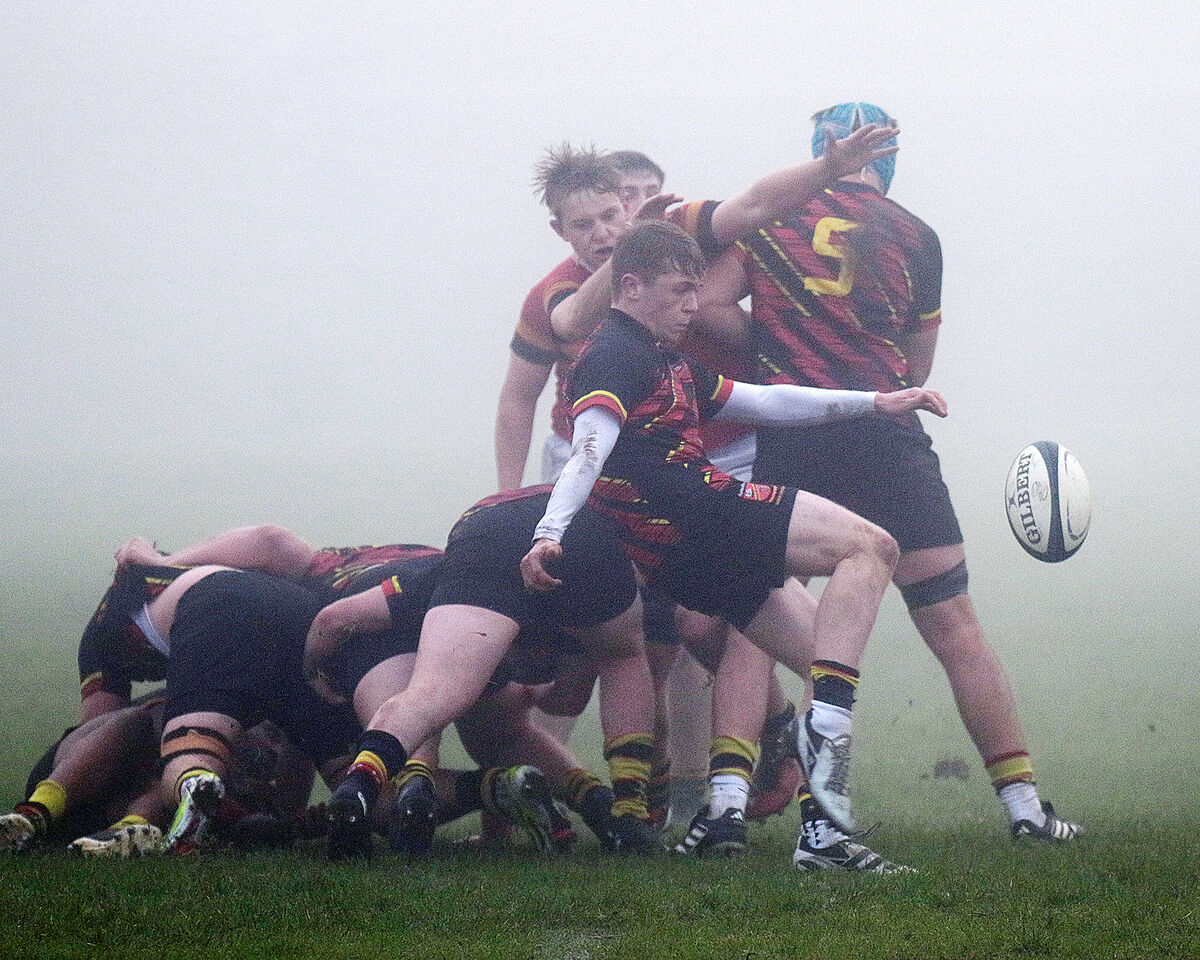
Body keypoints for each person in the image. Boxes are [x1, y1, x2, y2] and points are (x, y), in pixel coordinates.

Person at [694, 102, 1082, 844]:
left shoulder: (773, 218)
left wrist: (775, 354)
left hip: (796, 435)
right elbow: (916, 365)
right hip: (886, 436)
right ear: (891, 161)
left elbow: (708, 307)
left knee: (758, 619)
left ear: (819, 151)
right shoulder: (919, 235)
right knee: (952, 623)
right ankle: (1025, 807)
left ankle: (726, 809)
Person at [520, 221, 947, 871]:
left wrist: (876, 402)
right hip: (703, 513)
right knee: (872, 547)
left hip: (687, 556)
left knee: (822, 662)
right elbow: (588, 448)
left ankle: (824, 836)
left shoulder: (662, 357)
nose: (697, 305)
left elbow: (766, 401)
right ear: (630, 287)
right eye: (681, 290)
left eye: (698, 289)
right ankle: (815, 772)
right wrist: (549, 531)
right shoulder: (614, 355)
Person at [317, 486, 659, 859]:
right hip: (578, 539)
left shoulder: (462, 565)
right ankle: (625, 815)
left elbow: (336, 618)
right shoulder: (424, 576)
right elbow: (568, 699)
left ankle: (359, 787)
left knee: (433, 696)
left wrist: (311, 674)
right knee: (621, 658)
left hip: (491, 534)